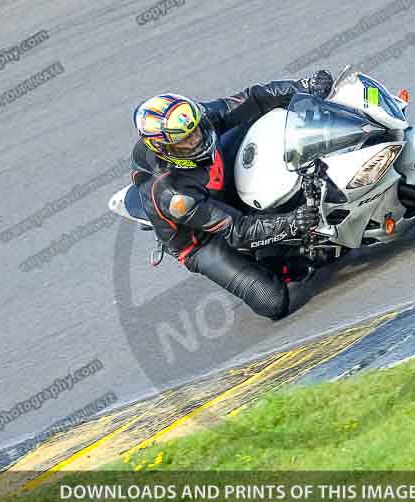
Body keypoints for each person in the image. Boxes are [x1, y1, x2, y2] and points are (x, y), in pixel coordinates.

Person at [130, 71, 334, 320]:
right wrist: (292, 222)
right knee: (272, 302)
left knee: (264, 116)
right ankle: (278, 264)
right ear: (166, 149)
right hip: (202, 238)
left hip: (214, 176)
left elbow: (252, 99)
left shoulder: (194, 122)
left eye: (196, 129)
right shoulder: (174, 195)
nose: (197, 138)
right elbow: (239, 231)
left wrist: (303, 86)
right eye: (186, 140)